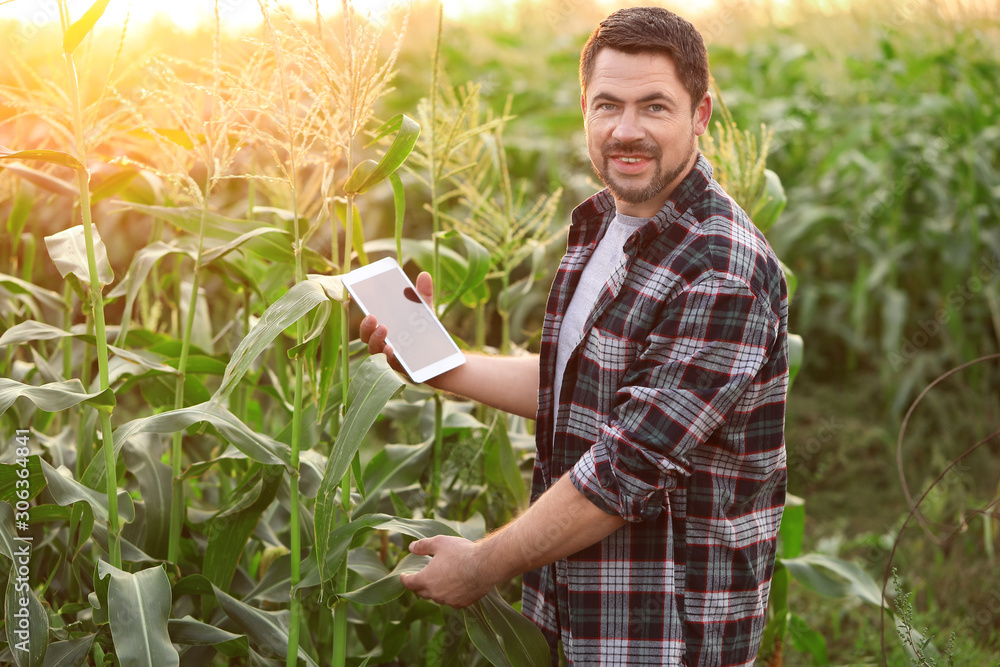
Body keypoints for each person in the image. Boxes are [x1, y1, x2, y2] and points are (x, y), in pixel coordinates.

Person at [360, 6, 788, 666]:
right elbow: (582, 390)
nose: (627, 130)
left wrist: (481, 565)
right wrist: (439, 361)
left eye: (655, 107)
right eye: (609, 105)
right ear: (584, 107)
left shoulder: (721, 267)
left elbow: (627, 468)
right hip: (580, 610)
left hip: (662, 634)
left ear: (700, 114)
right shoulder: (604, 228)